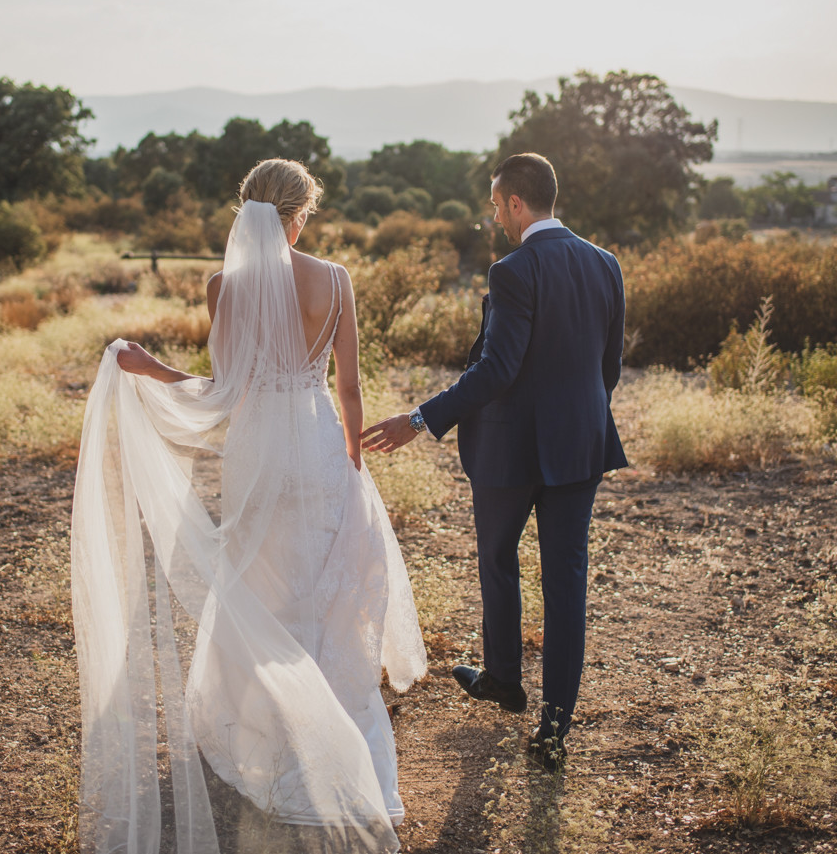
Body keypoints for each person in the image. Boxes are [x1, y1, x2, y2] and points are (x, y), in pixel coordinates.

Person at [71, 158, 426, 854]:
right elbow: (350, 387)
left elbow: (221, 390)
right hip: (322, 445)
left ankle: (280, 741)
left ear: (248, 213)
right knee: (328, 592)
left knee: (262, 592)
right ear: (300, 215)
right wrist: (352, 459)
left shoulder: (222, 286)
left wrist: (148, 369)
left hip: (259, 452)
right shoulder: (336, 280)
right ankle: (339, 747)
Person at [361, 152, 626, 771]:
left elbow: (496, 369)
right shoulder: (606, 265)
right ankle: (552, 723)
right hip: (580, 447)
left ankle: (506, 679)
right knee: (567, 585)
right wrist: (577, 418)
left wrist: (420, 418)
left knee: (497, 561)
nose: (495, 215)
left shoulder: (514, 269)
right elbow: (607, 368)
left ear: (514, 202)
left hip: (511, 451)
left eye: (495, 203)